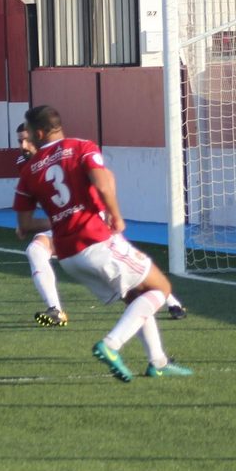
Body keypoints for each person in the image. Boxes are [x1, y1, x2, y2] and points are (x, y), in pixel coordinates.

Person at [14, 105, 191, 381]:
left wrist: (62, 219)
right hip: (96, 241)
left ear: (39, 133)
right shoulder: (82, 147)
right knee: (161, 287)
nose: (27, 142)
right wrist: (116, 216)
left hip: (68, 256)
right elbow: (104, 182)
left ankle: (158, 361)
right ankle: (111, 345)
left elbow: (23, 227)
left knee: (135, 297)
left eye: (28, 136)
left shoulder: (28, 171)